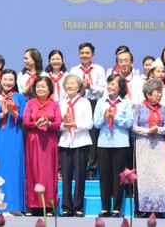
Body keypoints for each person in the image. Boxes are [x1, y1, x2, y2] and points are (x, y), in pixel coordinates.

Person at [132, 79, 165, 217]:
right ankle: (142, 209)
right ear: (148, 94)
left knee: (158, 176)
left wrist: (157, 129)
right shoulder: (139, 107)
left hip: (158, 144)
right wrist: (147, 131)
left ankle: (159, 208)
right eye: (157, 92)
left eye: (160, 92)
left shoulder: (162, 108)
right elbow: (133, 126)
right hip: (142, 144)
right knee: (144, 176)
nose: (159, 95)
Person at [0, 69, 27, 214]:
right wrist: (2, 114)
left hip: (14, 134)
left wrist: (12, 113)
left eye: (11, 80)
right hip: (0, 135)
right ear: (1, 80)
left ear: (15, 81)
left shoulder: (20, 97)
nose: (8, 82)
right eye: (5, 79)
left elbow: (25, 118)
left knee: (14, 168)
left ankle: (15, 206)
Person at [94, 74, 133, 218]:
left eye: (113, 84)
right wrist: (104, 118)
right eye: (109, 83)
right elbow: (96, 124)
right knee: (104, 176)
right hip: (103, 143)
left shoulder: (126, 103)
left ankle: (116, 208)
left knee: (118, 178)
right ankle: (105, 207)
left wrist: (115, 118)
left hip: (120, 143)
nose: (110, 86)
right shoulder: (101, 102)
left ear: (120, 87)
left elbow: (129, 123)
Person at [23, 76, 62, 216]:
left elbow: (58, 123)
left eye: (43, 86)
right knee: (33, 171)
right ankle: (32, 205)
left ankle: (49, 206)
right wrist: (36, 124)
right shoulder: (30, 103)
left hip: (49, 140)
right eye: (38, 86)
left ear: (49, 88)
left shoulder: (55, 104)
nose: (40, 89)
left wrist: (49, 124)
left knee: (48, 172)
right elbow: (25, 121)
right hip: (34, 140)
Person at [68, 42, 106, 180]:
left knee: (93, 135)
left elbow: (102, 90)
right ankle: (79, 167)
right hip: (78, 103)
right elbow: (70, 87)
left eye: (87, 53)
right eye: (82, 53)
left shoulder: (99, 69)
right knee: (78, 132)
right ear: (79, 54)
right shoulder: (74, 70)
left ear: (93, 54)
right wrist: (80, 88)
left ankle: (92, 169)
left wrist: (90, 87)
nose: (84, 55)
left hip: (94, 103)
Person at [58, 74, 92, 217]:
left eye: (73, 83)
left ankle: (78, 207)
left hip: (81, 142)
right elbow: (58, 124)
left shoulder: (85, 102)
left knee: (79, 176)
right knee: (65, 176)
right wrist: (65, 125)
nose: (70, 85)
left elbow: (90, 123)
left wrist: (75, 124)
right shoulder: (61, 103)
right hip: (65, 142)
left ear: (79, 87)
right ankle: (66, 207)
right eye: (67, 83)